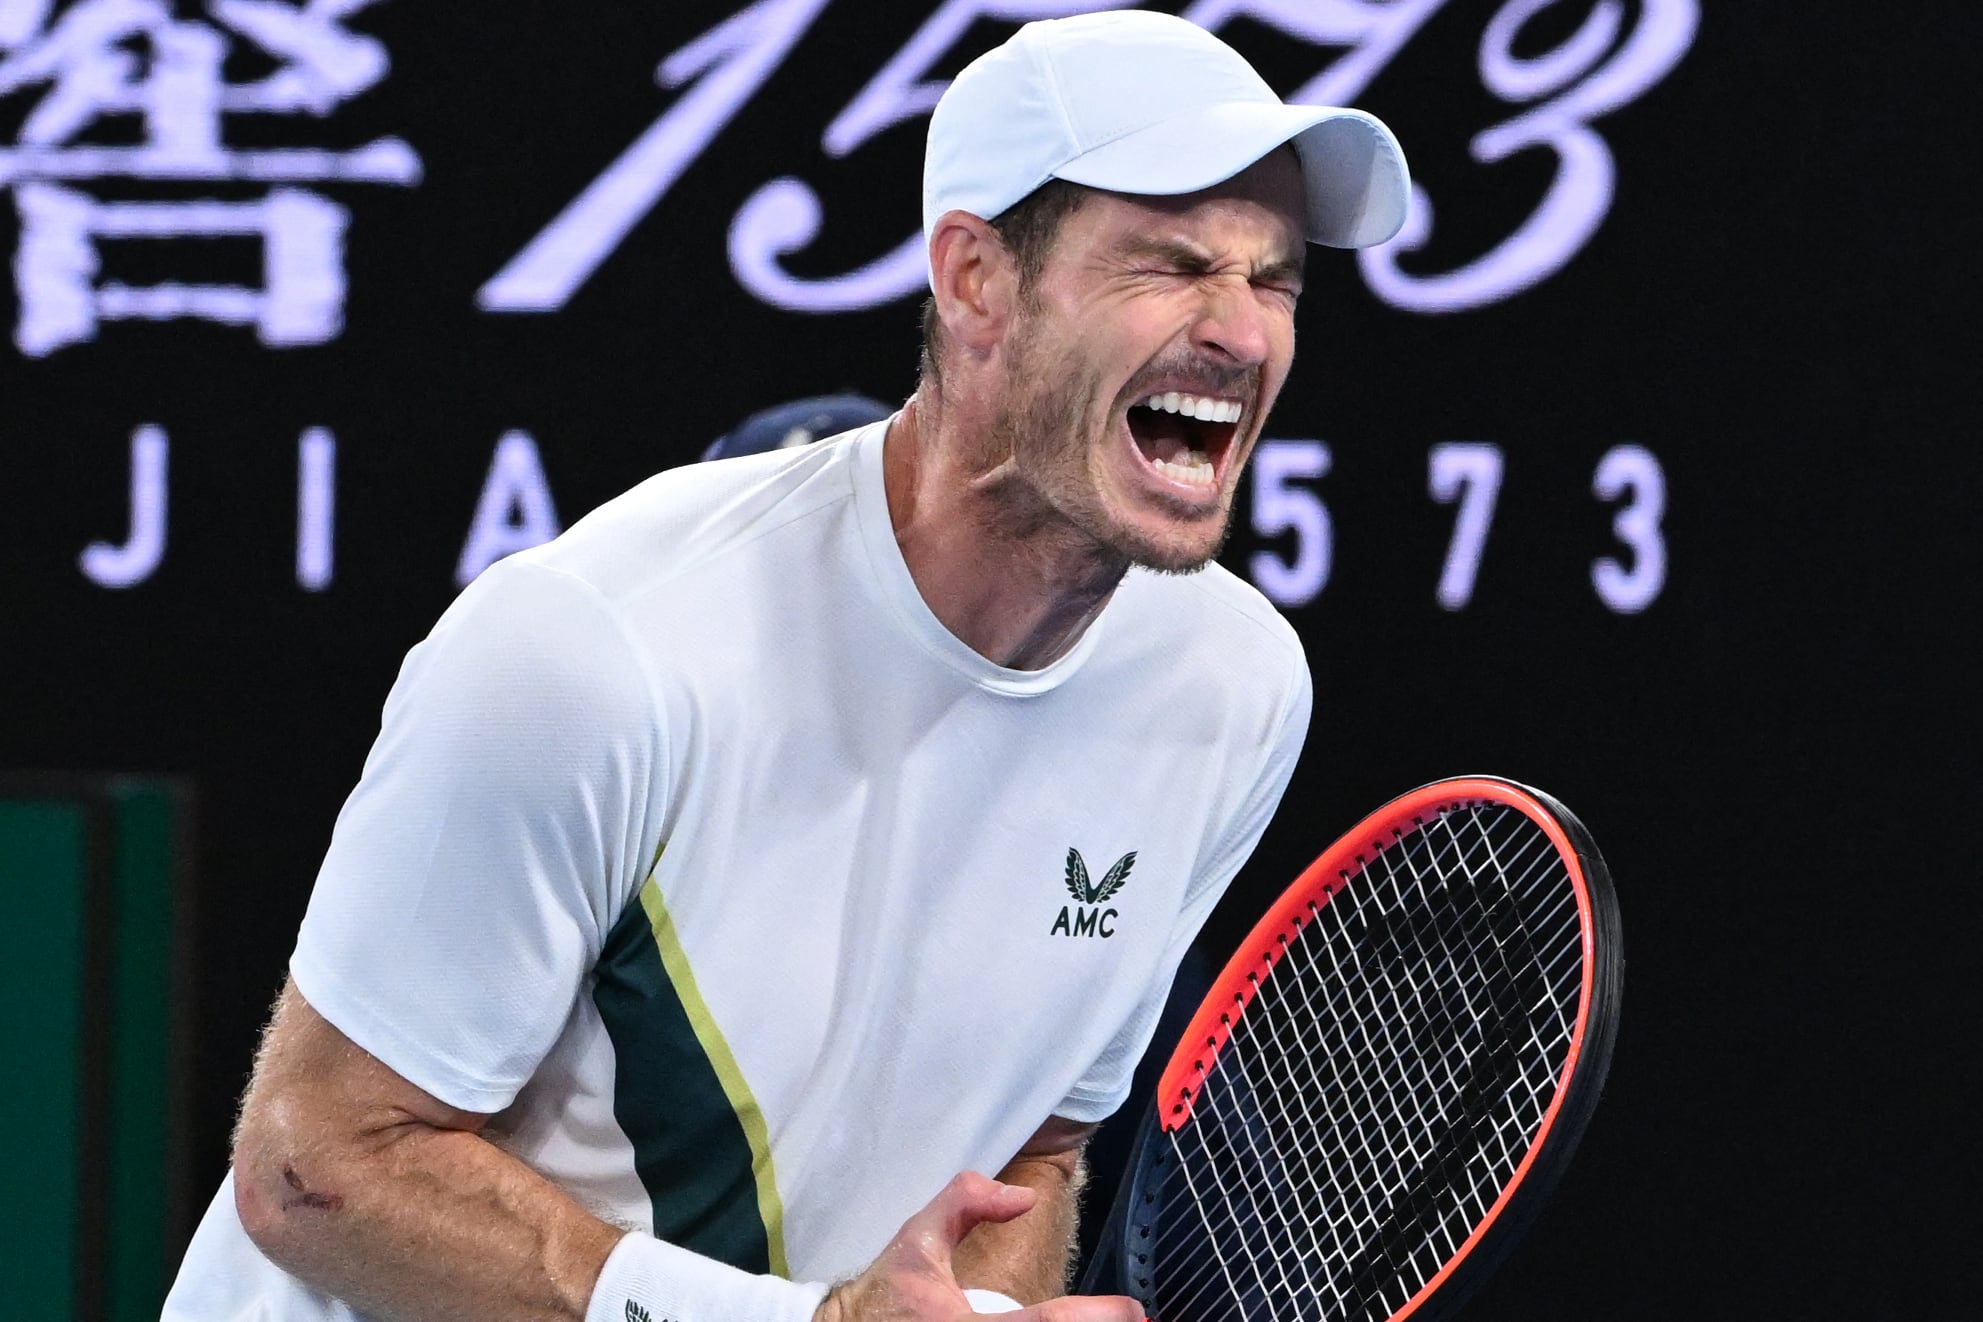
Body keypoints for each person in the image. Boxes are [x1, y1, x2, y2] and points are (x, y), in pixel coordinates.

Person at [161, 10, 1408, 1322]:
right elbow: (314, 1166)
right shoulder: (597, 647)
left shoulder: (1235, 689)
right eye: (1172, 264)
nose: (1242, 332)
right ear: (976, 279)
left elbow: (1026, 1147)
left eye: (1275, 282)